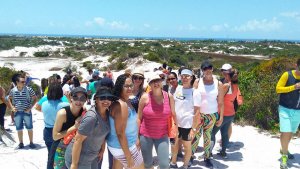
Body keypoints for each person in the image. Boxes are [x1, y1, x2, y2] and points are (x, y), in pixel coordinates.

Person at [65, 87, 118, 169]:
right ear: (96, 100)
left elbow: (103, 133)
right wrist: (74, 165)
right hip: (80, 159)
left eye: (109, 98)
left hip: (93, 156)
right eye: (103, 98)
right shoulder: (92, 117)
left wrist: (102, 149)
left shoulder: (107, 113)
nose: (106, 101)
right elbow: (78, 140)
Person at [138, 73, 177, 169]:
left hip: (162, 135)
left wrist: (176, 130)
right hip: (145, 135)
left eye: (157, 80)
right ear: (149, 84)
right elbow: (139, 118)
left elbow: (173, 114)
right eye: (152, 81)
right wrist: (136, 137)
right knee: (147, 164)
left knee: (164, 164)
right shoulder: (144, 97)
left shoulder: (169, 97)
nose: (156, 83)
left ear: (162, 82)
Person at [191, 60, 225, 169]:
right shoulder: (197, 81)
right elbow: (193, 99)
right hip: (199, 114)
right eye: (205, 69)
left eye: (209, 69)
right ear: (202, 71)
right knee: (196, 135)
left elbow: (221, 102)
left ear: (212, 69)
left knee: (208, 136)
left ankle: (207, 157)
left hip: (212, 114)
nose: (207, 71)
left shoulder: (218, 83)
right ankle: (191, 155)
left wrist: (221, 116)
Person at [107, 74, 144, 169]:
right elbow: (120, 133)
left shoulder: (126, 101)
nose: (129, 88)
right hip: (122, 147)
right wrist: (128, 156)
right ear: (120, 87)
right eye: (126, 86)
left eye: (131, 85)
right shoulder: (121, 105)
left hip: (122, 145)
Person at [210, 68, 243, 159]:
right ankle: (223, 152)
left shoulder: (226, 86)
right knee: (224, 133)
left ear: (228, 76)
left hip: (222, 113)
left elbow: (219, 99)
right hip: (231, 113)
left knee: (212, 133)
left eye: (226, 74)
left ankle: (208, 153)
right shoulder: (236, 85)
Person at [50, 87, 86, 169]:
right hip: (60, 149)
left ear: (86, 100)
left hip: (74, 149)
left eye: (82, 98)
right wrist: (74, 127)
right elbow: (55, 136)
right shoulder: (62, 113)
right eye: (75, 97)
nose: (79, 101)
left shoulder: (83, 111)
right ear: (71, 98)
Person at [276, 58, 300, 169]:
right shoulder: (287, 75)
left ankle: (283, 148)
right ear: (296, 65)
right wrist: (293, 87)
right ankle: (284, 157)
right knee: (286, 132)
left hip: (298, 111)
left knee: (290, 133)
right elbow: (278, 89)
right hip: (285, 108)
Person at [170, 69, 196, 169]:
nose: (185, 78)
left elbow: (197, 112)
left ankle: (185, 165)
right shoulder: (178, 89)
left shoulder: (195, 92)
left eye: (187, 76)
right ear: (180, 77)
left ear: (191, 78)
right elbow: (174, 105)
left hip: (187, 125)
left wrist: (193, 128)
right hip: (176, 124)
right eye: (183, 76)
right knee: (175, 145)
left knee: (187, 146)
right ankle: (173, 163)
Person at [41, 83, 69, 165]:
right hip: (60, 132)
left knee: (50, 155)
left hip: (47, 131)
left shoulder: (44, 104)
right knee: (61, 157)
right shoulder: (65, 105)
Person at [7, 74, 38, 149]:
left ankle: (31, 142)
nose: (24, 83)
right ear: (17, 82)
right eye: (22, 81)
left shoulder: (29, 89)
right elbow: (9, 98)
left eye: (25, 81)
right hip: (17, 112)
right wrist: (12, 107)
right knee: (19, 128)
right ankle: (21, 143)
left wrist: (30, 108)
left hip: (26, 112)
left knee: (29, 127)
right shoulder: (13, 90)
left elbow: (35, 99)